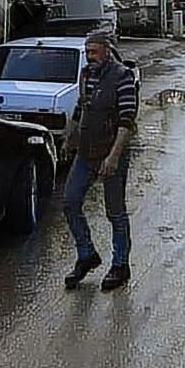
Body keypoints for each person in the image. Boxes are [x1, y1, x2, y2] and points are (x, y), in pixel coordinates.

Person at [63, 31, 138, 291]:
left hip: (110, 153)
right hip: (86, 152)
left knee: (115, 212)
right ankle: (86, 255)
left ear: (107, 50)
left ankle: (120, 265)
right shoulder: (87, 75)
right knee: (70, 202)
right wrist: (68, 138)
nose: (90, 57)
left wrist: (114, 156)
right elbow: (80, 108)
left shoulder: (122, 76)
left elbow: (127, 120)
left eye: (94, 52)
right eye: (87, 52)